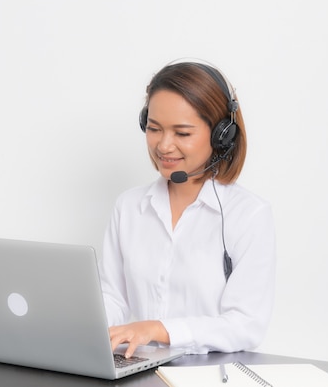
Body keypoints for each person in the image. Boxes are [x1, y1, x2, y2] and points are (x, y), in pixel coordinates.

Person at [99, 60, 276, 359]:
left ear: (222, 135)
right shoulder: (128, 207)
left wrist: (158, 329)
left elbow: (246, 325)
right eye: (154, 128)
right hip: (137, 370)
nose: (164, 146)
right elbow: (112, 297)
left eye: (182, 133)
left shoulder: (249, 215)